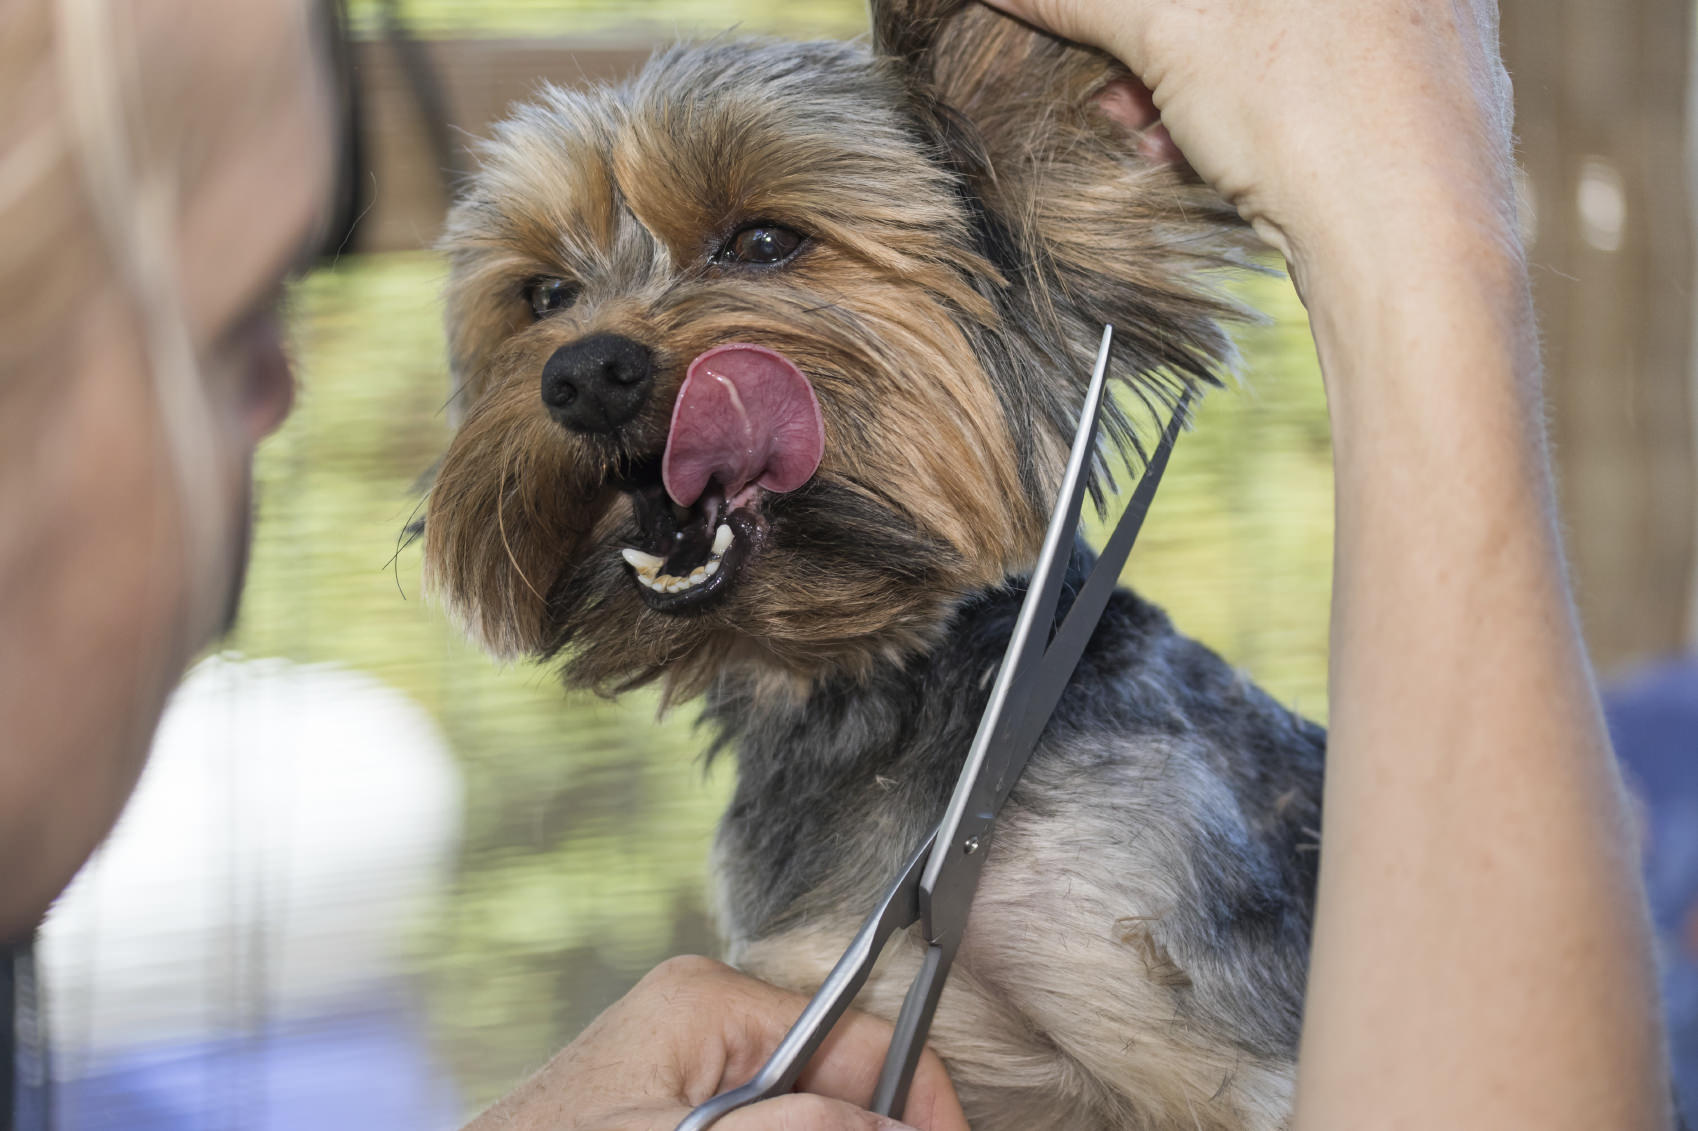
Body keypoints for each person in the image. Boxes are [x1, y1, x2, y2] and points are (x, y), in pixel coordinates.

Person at [0, 0, 1670, 1129]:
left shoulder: (1130, 809)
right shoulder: (767, 867)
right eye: (540, 305)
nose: (595, 354)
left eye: (760, 241)